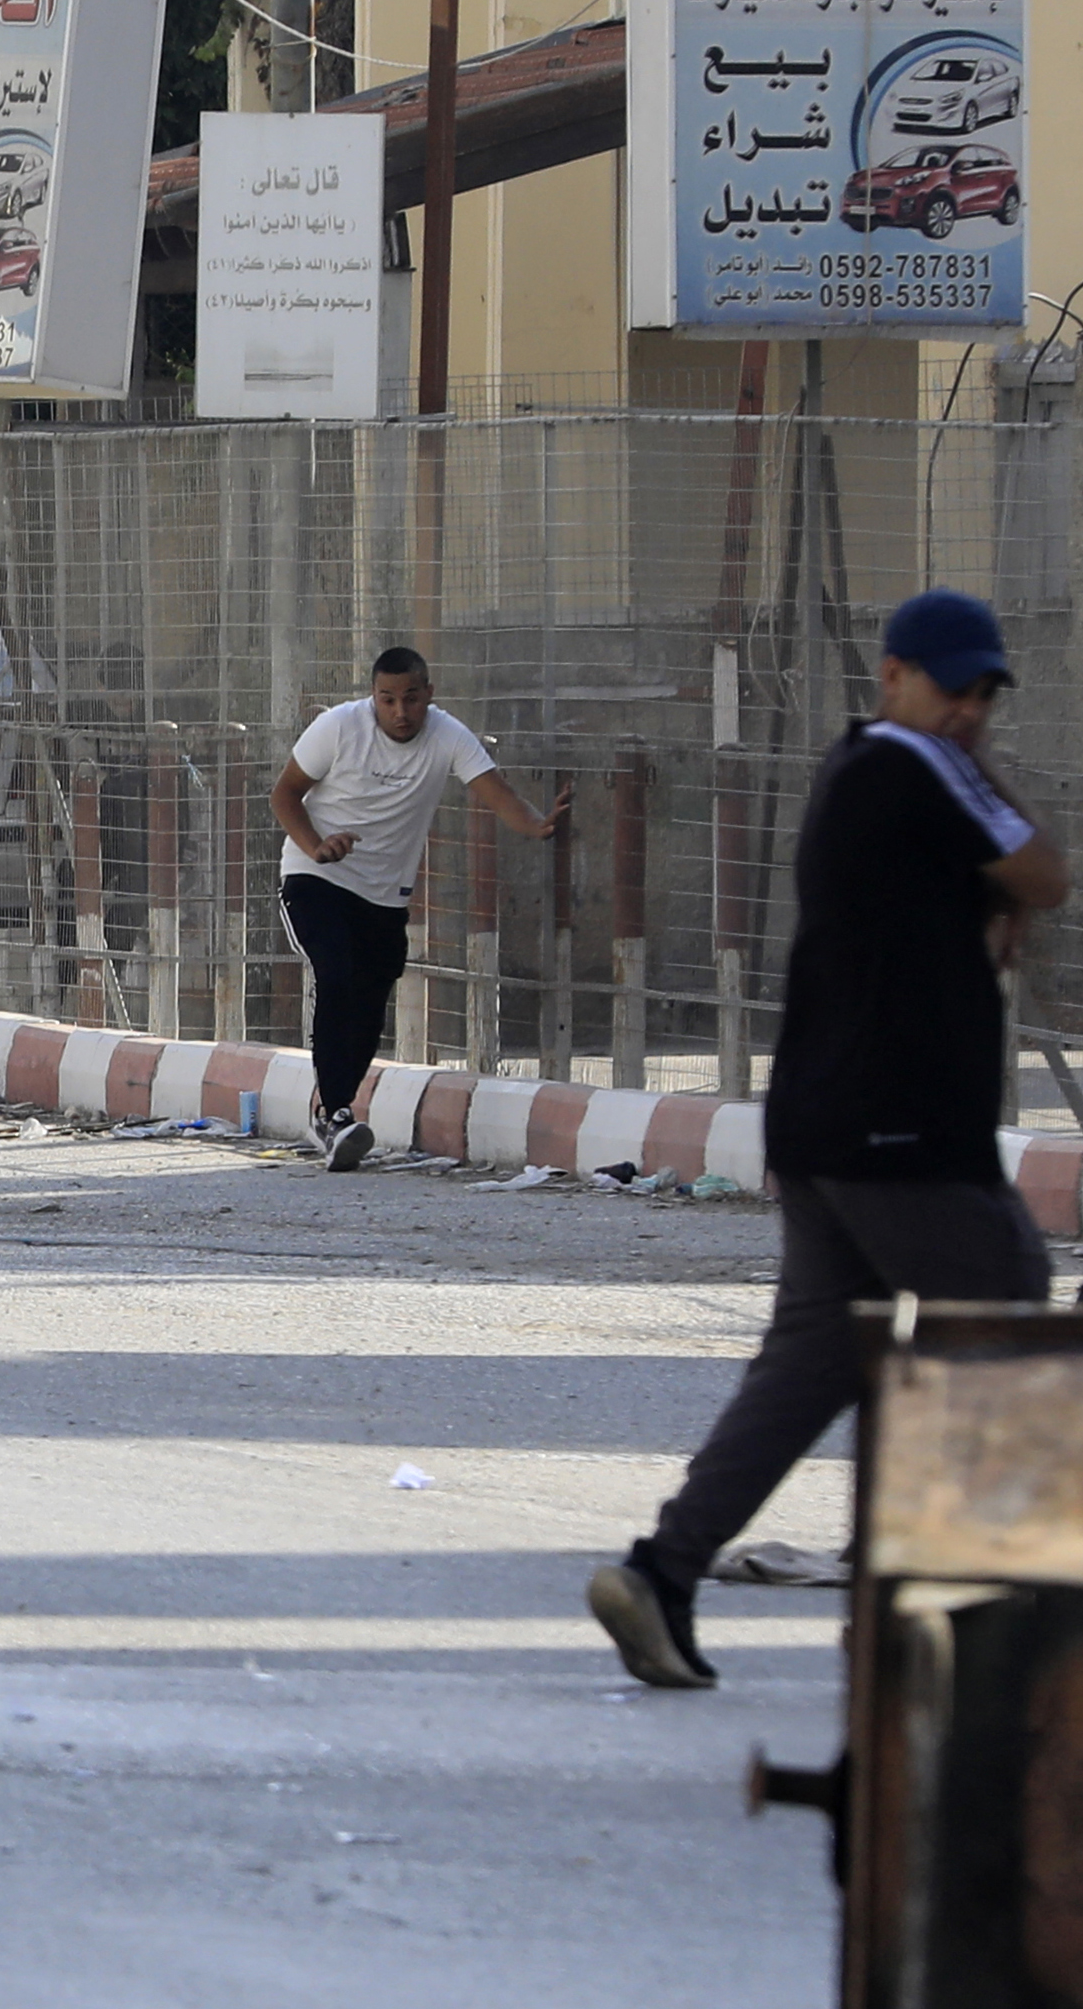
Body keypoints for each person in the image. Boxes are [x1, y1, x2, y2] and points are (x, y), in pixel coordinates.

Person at [590, 590, 1069, 1689]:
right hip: (898, 1126)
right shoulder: (917, 762)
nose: (969, 708)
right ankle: (965, 1624)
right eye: (954, 687)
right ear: (893, 675)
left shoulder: (863, 769)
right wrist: (983, 775)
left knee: (813, 1356)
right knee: (1001, 1299)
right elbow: (1044, 873)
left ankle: (661, 1571)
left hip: (824, 1120)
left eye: (985, 693)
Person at [268, 648, 566, 1171]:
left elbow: (496, 793)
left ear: (429, 693)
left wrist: (538, 824)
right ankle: (334, 1115)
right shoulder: (339, 727)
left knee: (372, 992)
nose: (400, 712)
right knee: (337, 974)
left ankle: (337, 1110)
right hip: (317, 874)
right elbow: (285, 795)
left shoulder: (448, 735)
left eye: (410, 698)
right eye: (387, 700)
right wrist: (317, 846)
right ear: (373, 697)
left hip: (384, 894)